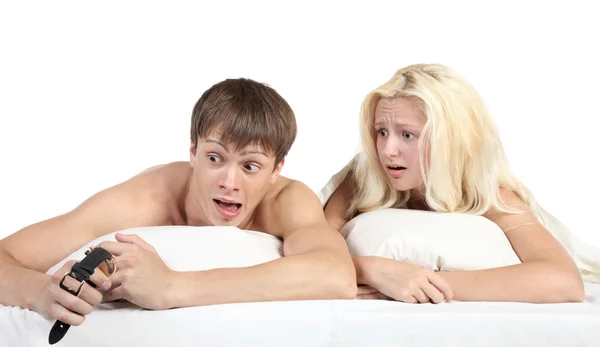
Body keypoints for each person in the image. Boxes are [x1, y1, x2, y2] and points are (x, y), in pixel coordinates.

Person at [0, 78, 357, 327]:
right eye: (214, 158)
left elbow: (337, 275)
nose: (229, 183)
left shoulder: (287, 200)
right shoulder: (147, 198)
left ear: (277, 169)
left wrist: (171, 286)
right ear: (192, 152)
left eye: (250, 166)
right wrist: (40, 293)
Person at [323, 63, 589, 304]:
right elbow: (317, 253)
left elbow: (564, 281)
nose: (388, 150)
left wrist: (419, 282)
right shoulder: (364, 179)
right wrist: (370, 269)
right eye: (382, 132)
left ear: (449, 141)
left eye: (407, 134)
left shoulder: (490, 197)